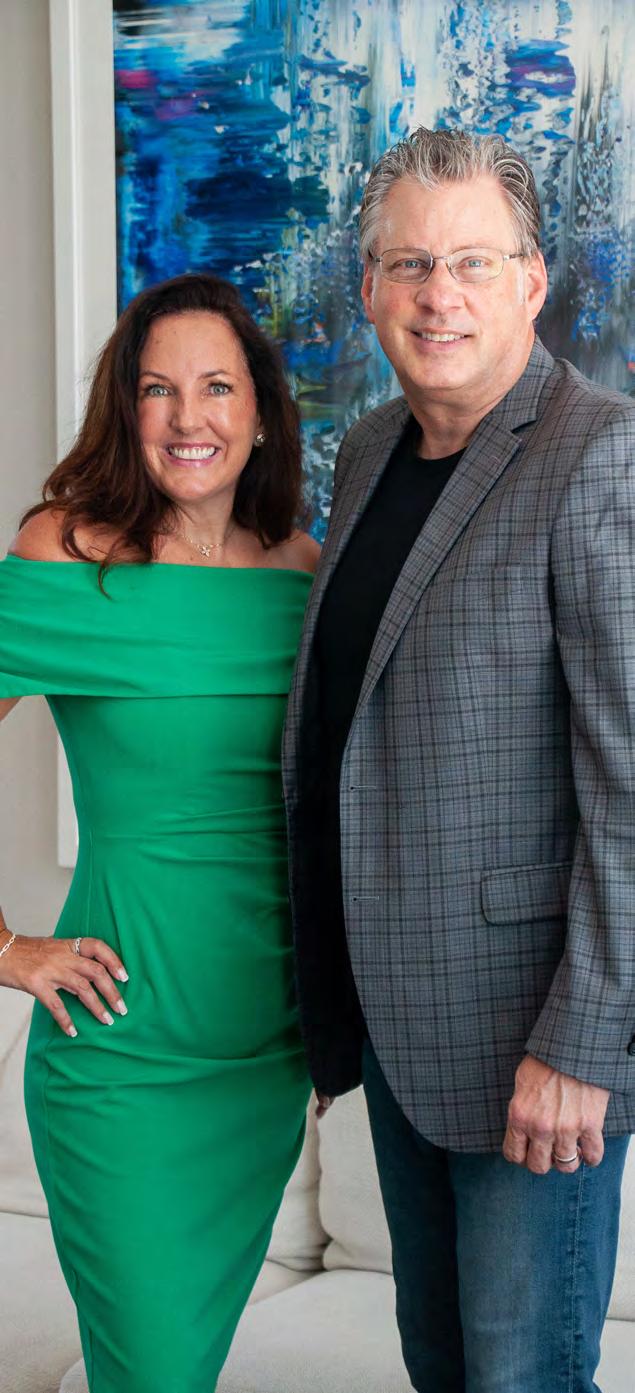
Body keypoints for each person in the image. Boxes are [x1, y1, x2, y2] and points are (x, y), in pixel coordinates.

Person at [282, 127, 634, 1391]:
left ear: (530, 281)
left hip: (535, 1045)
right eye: (411, 264)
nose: (441, 295)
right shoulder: (370, 449)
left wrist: (584, 1044)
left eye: (473, 261)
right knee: (438, 1364)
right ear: (369, 287)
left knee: (519, 1376)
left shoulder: (597, 453)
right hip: (400, 1021)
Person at [0, 271, 319, 1393]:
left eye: (217, 386)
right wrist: (6, 948)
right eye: (158, 389)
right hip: (120, 1058)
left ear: (260, 411)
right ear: (124, 408)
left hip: (262, 1060)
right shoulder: (66, 556)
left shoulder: (300, 569)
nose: (190, 417)